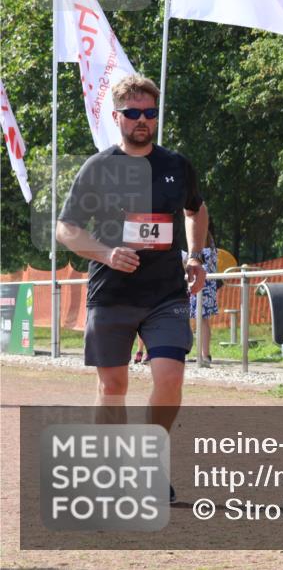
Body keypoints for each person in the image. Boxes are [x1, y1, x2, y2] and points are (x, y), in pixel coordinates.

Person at [56, 74, 208, 504]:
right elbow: (66, 228)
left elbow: (196, 210)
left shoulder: (176, 165)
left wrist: (195, 256)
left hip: (166, 293)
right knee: (114, 386)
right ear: (117, 115)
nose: (143, 121)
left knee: (170, 376)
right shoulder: (98, 168)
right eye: (134, 113)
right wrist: (105, 254)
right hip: (112, 293)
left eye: (150, 113)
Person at [183, 219, 220, 365]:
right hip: (208, 286)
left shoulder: (202, 245)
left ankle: (203, 355)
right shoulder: (211, 244)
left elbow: (195, 264)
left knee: (202, 320)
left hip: (202, 286)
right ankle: (204, 353)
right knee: (203, 320)